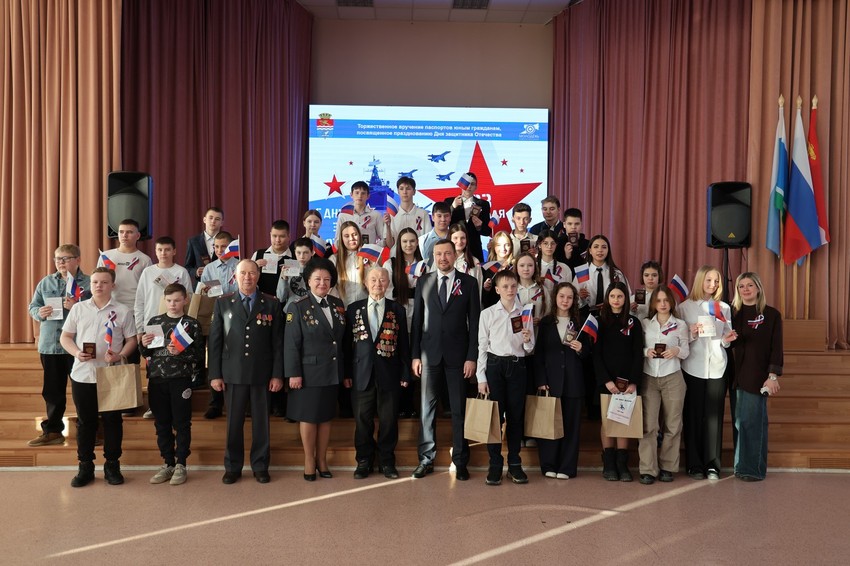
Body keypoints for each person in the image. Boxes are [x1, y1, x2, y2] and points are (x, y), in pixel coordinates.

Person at [60, 267, 137, 487]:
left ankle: (112, 465)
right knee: (86, 422)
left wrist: (120, 355)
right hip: (83, 374)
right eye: (95, 282)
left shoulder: (123, 311)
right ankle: (85, 466)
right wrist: (77, 353)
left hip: (111, 374)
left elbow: (132, 340)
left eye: (104, 282)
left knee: (113, 421)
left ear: (113, 285)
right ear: (90, 284)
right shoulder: (79, 308)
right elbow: (65, 337)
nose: (99, 286)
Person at [208, 259, 284, 485]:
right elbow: (215, 342)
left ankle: (260, 466)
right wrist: (215, 374)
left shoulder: (271, 303)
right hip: (233, 373)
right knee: (233, 423)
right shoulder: (223, 303)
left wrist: (277, 374)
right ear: (235, 276)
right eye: (243, 273)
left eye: (252, 273)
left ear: (258, 276)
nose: (248, 277)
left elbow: (278, 343)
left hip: (262, 374)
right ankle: (232, 467)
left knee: (261, 423)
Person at [411, 239, 481, 480]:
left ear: (455, 255)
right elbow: (416, 322)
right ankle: (425, 459)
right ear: (433, 256)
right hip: (428, 356)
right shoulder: (424, 281)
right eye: (438, 254)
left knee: (458, 410)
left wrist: (471, 357)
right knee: (427, 410)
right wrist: (415, 355)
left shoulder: (468, 283)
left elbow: (475, 324)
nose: (443, 258)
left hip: (458, 357)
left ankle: (460, 461)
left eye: (447, 253)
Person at [344, 266, 411, 479]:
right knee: (362, 420)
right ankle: (364, 461)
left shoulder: (397, 309)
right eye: (373, 279)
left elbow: (404, 344)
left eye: (382, 280)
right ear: (365, 283)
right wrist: (347, 373)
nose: (377, 284)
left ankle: (386, 461)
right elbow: (346, 345)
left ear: (388, 283)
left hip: (389, 373)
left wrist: (405, 373)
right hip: (360, 374)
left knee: (389, 420)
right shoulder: (353, 309)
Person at [284, 257, 346, 481]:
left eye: (327, 279)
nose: (322, 283)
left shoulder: (338, 305)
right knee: (309, 417)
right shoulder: (297, 306)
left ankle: (322, 459)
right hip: (308, 373)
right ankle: (309, 460)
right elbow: (291, 344)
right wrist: (294, 373)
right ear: (308, 281)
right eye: (317, 279)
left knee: (326, 417)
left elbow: (341, 341)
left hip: (332, 370)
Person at [139, 283, 204, 485]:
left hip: (180, 380)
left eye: (177, 300)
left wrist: (181, 353)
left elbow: (199, 356)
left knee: (182, 423)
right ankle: (168, 463)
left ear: (185, 300)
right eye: (169, 301)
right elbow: (147, 353)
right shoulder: (155, 321)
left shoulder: (191, 324)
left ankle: (181, 463)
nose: (173, 304)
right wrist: (143, 344)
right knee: (162, 423)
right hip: (157, 379)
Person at [27, 244, 90, 446]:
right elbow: (33, 306)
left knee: (84, 390)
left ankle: (89, 430)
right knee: (53, 391)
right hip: (51, 345)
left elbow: (99, 311)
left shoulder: (90, 283)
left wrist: (78, 307)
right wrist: (39, 313)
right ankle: (53, 431)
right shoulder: (46, 282)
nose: (61, 262)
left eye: (66, 258)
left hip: (78, 346)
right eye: (57, 259)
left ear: (78, 260)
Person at [476, 269, 534, 485]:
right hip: (495, 366)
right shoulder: (488, 314)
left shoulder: (525, 313)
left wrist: (527, 340)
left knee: (516, 416)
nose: (510, 290)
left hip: (517, 366)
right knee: (495, 417)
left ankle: (515, 463)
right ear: (497, 289)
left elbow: (529, 348)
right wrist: (481, 377)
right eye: (505, 286)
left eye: (513, 286)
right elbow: (482, 346)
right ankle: (495, 463)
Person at [679, 265, 736, 480]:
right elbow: (679, 340)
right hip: (692, 367)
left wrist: (727, 340)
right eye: (709, 280)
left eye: (716, 281)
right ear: (700, 280)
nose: (713, 284)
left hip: (717, 367)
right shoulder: (685, 308)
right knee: (693, 416)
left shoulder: (723, 307)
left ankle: (713, 465)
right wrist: (691, 332)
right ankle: (694, 464)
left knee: (714, 417)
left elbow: (725, 338)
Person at [534, 282, 591, 479]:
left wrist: (581, 349)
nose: (565, 300)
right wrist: (541, 380)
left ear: (574, 300)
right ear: (555, 298)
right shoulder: (546, 322)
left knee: (571, 427)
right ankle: (548, 465)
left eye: (569, 297)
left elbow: (589, 354)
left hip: (574, 382)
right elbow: (539, 354)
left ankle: (567, 468)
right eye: (562, 296)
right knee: (549, 425)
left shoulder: (580, 322)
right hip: (551, 382)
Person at [731, 272, 783, 482]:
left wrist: (773, 376)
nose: (745, 289)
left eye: (750, 285)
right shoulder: (733, 314)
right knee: (740, 424)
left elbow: (776, 348)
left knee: (753, 423)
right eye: (741, 286)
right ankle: (740, 466)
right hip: (736, 376)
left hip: (758, 376)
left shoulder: (771, 315)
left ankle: (753, 470)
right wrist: (726, 341)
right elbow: (728, 344)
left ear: (758, 288)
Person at [134, 236, 192, 418]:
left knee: (175, 359)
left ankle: (178, 403)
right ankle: (155, 406)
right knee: (154, 363)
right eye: (160, 250)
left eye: (167, 249)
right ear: (155, 252)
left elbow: (189, 297)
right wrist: (140, 328)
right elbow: (140, 301)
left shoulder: (181, 272)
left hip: (177, 324)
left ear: (174, 251)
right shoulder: (148, 272)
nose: (163, 253)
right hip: (153, 325)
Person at [638, 286, 689, 485]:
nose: (662, 304)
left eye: (666, 300)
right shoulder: (645, 324)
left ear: (671, 302)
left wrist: (676, 350)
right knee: (648, 425)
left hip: (673, 377)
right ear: (653, 303)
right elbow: (637, 348)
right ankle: (648, 469)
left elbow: (686, 350)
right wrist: (646, 352)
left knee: (673, 425)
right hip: (649, 377)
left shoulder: (680, 325)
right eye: (658, 300)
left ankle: (668, 467)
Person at [594, 281, 644, 482]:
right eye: (612, 296)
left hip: (627, 382)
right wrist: (606, 380)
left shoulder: (634, 323)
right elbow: (596, 354)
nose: (616, 300)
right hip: (606, 381)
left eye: (620, 296)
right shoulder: (599, 322)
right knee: (607, 420)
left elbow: (638, 354)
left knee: (623, 419)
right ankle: (609, 463)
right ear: (607, 299)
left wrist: (633, 381)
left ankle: (622, 463)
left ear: (626, 299)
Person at [199, 231, 239, 420]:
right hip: (215, 318)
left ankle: (236, 401)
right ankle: (215, 403)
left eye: (223, 246)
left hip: (236, 319)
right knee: (214, 357)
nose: (219, 250)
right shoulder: (209, 268)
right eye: (216, 246)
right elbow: (203, 294)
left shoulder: (240, 265)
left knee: (235, 358)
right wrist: (206, 290)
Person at [384, 227, 423, 419]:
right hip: (398, 317)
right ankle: (399, 403)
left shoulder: (424, 264)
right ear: (399, 244)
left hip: (418, 318)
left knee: (414, 359)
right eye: (405, 241)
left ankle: (410, 403)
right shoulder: (391, 264)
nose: (409, 245)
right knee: (399, 360)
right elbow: (387, 291)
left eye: (412, 241)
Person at [98, 218, 153, 313]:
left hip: (134, 309)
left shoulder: (145, 260)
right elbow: (98, 281)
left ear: (138, 236)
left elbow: (148, 288)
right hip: (109, 307)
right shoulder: (106, 256)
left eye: (129, 232)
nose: (124, 235)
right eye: (121, 232)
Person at [444, 172, 491, 262]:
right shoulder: (449, 202)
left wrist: (480, 227)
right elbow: (444, 223)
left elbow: (487, 231)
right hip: (455, 249)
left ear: (476, 187)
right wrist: (453, 207)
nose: (469, 186)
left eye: (472, 184)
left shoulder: (483, 204)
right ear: (461, 185)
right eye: (467, 183)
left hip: (475, 250)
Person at [577, 234, 630, 315]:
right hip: (586, 315)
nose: (600, 250)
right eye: (596, 247)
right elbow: (573, 298)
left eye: (604, 247)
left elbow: (627, 296)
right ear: (590, 250)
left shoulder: (616, 274)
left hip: (611, 314)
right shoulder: (582, 272)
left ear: (608, 250)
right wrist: (580, 296)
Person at [330, 221, 368, 308]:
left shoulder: (369, 257)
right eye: (347, 236)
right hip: (343, 308)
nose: (351, 238)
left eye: (354, 234)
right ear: (342, 239)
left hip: (364, 308)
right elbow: (331, 287)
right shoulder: (334, 259)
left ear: (359, 235)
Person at [386, 176, 432, 248]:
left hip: (418, 253)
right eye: (401, 189)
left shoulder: (423, 214)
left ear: (414, 191)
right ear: (398, 191)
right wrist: (387, 226)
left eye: (408, 189)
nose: (404, 192)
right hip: (397, 254)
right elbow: (390, 245)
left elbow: (428, 240)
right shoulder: (392, 215)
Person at [252, 219, 292, 296]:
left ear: (289, 236)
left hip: (286, 302)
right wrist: (254, 267)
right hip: (261, 300)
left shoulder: (295, 257)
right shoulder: (258, 254)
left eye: (282, 236)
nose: (277, 240)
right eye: (274, 236)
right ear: (270, 235)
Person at [337, 180, 384, 245]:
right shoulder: (343, 215)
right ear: (351, 195)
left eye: (363, 193)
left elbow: (383, 238)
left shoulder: (376, 215)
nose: (360, 196)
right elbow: (338, 240)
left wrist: (373, 248)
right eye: (357, 193)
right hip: (349, 251)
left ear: (368, 196)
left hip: (369, 251)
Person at [185, 207, 223, 286]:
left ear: (222, 223)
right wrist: (196, 272)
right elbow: (188, 267)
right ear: (204, 219)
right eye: (210, 218)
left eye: (217, 219)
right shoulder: (193, 241)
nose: (213, 221)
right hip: (201, 286)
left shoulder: (230, 242)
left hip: (223, 286)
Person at [276, 237, 314, 308]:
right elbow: (280, 298)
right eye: (298, 253)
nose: (302, 256)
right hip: (291, 309)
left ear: (312, 253)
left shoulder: (316, 269)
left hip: (311, 309)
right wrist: (284, 279)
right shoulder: (288, 267)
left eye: (305, 253)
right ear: (294, 252)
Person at [481, 231, 515, 308]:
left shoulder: (515, 266)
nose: (503, 248)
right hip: (492, 310)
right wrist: (486, 289)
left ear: (511, 246)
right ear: (494, 247)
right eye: (499, 245)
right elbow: (482, 299)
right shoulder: (486, 268)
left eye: (507, 245)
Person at [448, 223, 483, 292]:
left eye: (463, 238)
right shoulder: (443, 260)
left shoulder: (474, 262)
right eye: (455, 238)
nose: (459, 241)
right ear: (450, 239)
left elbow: (478, 286)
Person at [536, 229, 572, 293]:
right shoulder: (533, 267)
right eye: (545, 243)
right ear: (539, 245)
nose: (549, 246)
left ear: (556, 245)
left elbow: (569, 291)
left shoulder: (564, 268)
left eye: (552, 243)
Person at [419, 201, 452, 266]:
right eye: (439, 216)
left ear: (450, 217)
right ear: (433, 217)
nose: (443, 219)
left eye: (446, 216)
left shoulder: (456, 239)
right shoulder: (422, 240)